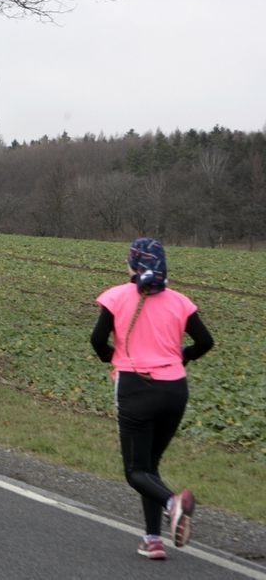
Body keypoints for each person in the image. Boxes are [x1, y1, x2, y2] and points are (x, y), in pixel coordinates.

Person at [90, 237, 213, 560]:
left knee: (135, 471)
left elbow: (97, 339)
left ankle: (174, 504)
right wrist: (182, 356)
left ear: (132, 265)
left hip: (135, 386)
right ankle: (153, 540)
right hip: (175, 390)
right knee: (149, 466)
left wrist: (110, 357)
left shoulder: (115, 297)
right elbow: (205, 341)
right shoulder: (181, 302)